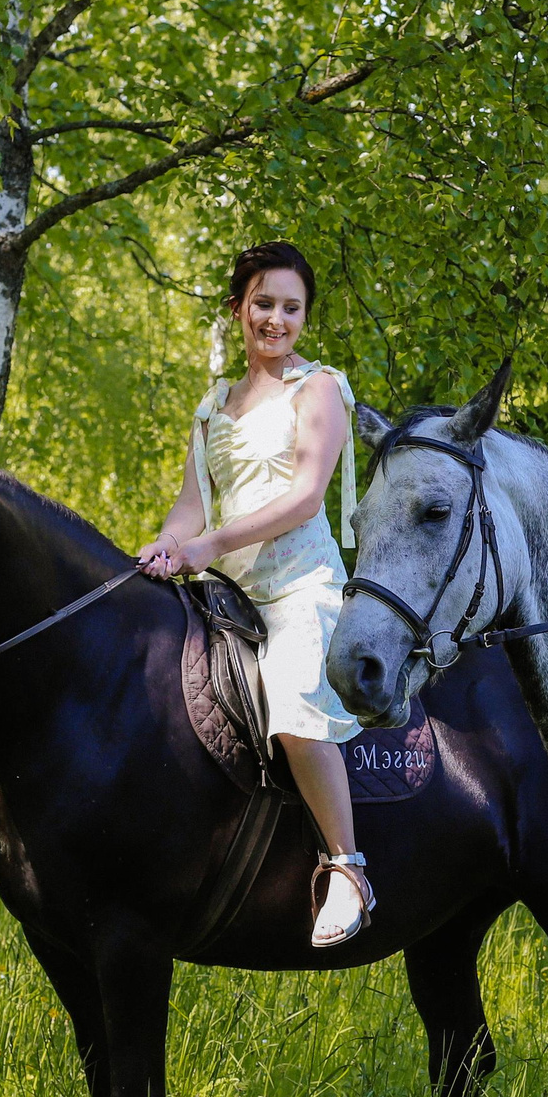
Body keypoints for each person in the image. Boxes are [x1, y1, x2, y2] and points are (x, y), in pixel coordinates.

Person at [138, 241, 376, 948]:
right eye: (263, 304)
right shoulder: (214, 405)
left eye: (291, 307)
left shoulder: (321, 388)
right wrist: (170, 543)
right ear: (238, 308)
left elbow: (305, 497)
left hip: (300, 588)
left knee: (294, 705)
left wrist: (206, 545)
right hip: (225, 594)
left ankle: (347, 866)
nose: (276, 319)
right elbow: (192, 504)